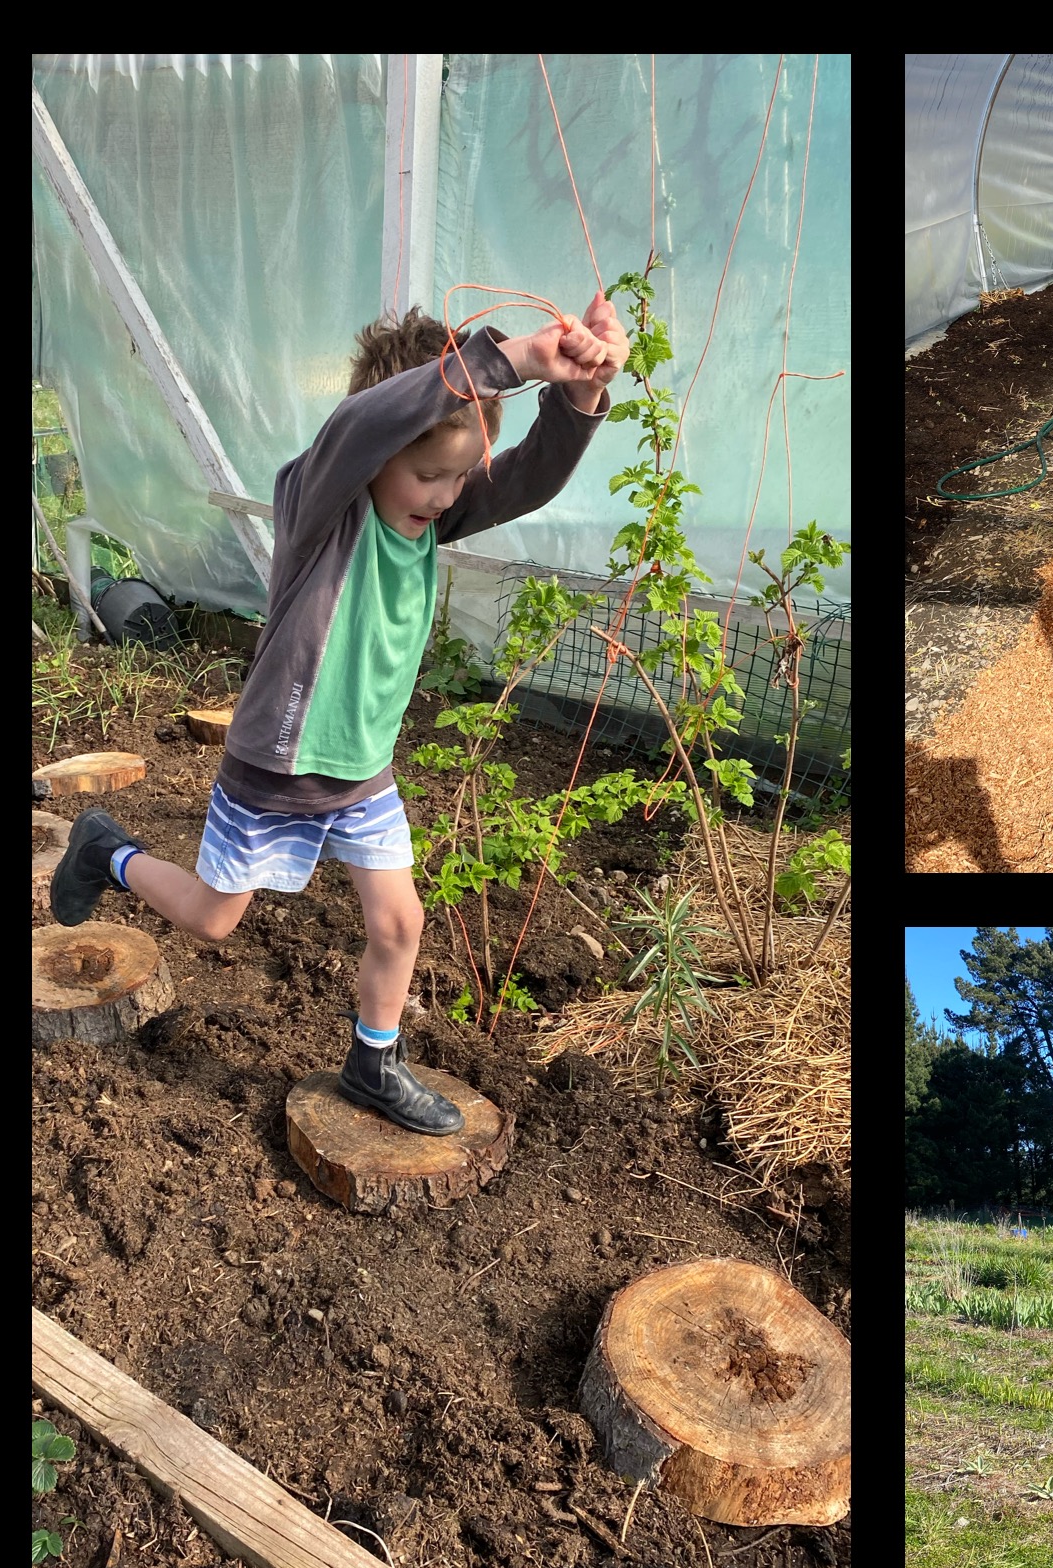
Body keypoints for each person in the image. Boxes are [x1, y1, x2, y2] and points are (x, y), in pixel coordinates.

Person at [51, 292, 629, 1133]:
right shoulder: (321, 506)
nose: (446, 494)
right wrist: (505, 360)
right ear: (374, 454)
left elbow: (528, 477)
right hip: (275, 767)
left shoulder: (429, 517)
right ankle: (107, 851)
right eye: (429, 474)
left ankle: (373, 1063)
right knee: (214, 919)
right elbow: (362, 425)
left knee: (399, 922)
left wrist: (578, 393)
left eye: (460, 473)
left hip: (362, 775)